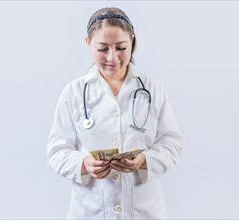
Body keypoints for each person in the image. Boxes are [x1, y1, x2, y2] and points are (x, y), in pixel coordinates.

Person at [47, 7, 184, 220]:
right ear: (87, 44)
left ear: (132, 41)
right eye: (103, 49)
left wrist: (144, 160)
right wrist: (83, 164)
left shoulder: (152, 89)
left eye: (121, 47)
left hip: (143, 209)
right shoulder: (73, 93)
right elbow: (56, 152)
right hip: (90, 209)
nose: (113, 57)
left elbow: (171, 143)